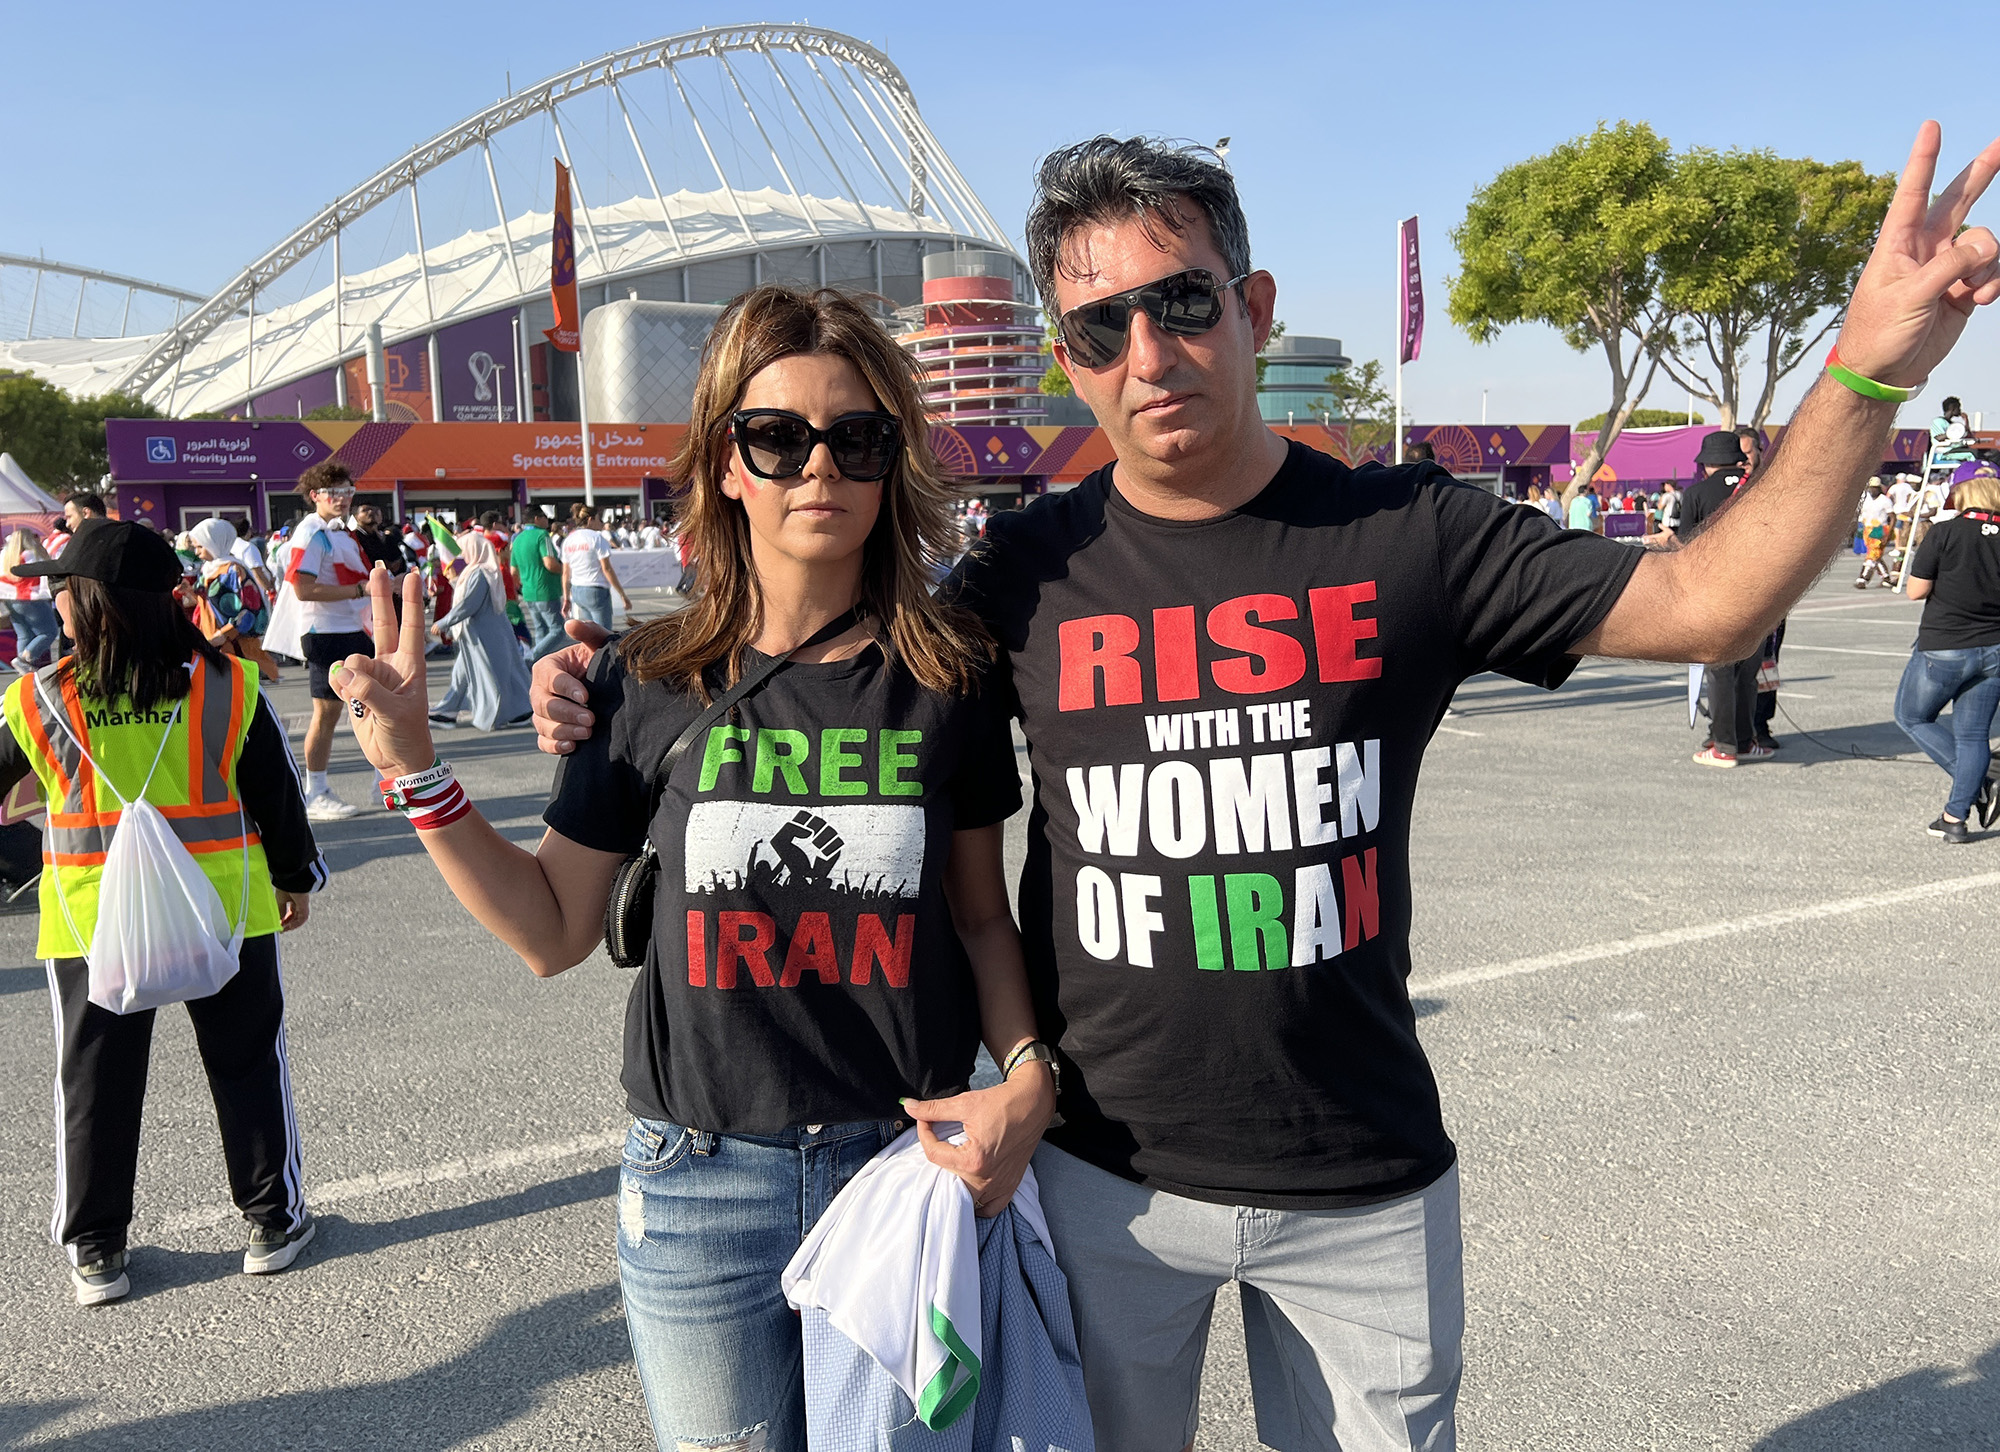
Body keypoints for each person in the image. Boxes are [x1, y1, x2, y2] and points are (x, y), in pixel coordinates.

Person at [532, 125, 2000, 1451]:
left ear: (1256, 308)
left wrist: (1866, 366)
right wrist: (609, 677)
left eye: (1182, 301)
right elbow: (821, 642)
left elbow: (1705, 606)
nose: (1150, 352)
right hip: (1101, 1182)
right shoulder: (1020, 579)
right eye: (1101, 326)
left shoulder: (1406, 532)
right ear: (1069, 354)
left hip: (1359, 1177)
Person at [332, 283, 1056, 1449]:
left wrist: (1027, 1074)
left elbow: (979, 921)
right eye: (777, 437)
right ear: (727, 462)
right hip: (698, 1186)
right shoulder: (646, 675)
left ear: (890, 465)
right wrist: (417, 774)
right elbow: (551, 930)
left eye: (855, 437)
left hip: (903, 1171)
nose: (817, 467)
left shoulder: (946, 674)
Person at [0, 517, 326, 1305]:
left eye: (62, 590)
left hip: (87, 921)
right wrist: (296, 878)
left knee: (95, 1078)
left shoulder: (38, 697)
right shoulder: (228, 684)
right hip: (226, 907)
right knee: (248, 1063)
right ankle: (271, 1221)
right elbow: (274, 794)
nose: (53, 604)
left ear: (95, 603)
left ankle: (98, 1249)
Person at [1896, 461, 2000, 843]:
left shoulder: (1945, 532)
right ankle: (1953, 818)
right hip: (1995, 647)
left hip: (1946, 644)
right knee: (1973, 735)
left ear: (1960, 491)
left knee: (1912, 717)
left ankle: (1980, 782)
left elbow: (1915, 591)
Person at [282, 459, 373, 821]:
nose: (343, 498)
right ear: (314, 496)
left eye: (348, 491)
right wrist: (359, 589)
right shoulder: (311, 532)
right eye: (333, 492)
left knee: (368, 705)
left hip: (351, 629)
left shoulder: (337, 530)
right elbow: (302, 589)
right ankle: (315, 791)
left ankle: (383, 782)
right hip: (325, 632)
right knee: (328, 714)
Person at [1680, 431, 1766, 766]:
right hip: (1759, 592)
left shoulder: (1697, 493)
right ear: (1737, 459)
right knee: (1747, 672)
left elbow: (1688, 548)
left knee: (1719, 671)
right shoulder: (1758, 490)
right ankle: (1745, 741)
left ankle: (1724, 746)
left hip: (1717, 592)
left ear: (1706, 464)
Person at [427, 528, 532, 731]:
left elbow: (469, 604)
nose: (461, 554)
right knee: (469, 672)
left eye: (464, 549)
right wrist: (453, 580)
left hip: (483, 635)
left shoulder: (480, 573)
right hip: (482, 634)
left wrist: (444, 622)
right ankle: (448, 710)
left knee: (492, 675)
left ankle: (500, 713)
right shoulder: (480, 570)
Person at [187, 517, 276, 681]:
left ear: (214, 543)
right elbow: (203, 602)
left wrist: (225, 633)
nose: (197, 552)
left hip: (235, 645)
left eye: (200, 546)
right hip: (210, 640)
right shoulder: (207, 569)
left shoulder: (234, 570)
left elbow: (250, 608)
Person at [560, 504, 630, 633]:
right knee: (604, 634)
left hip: (577, 590)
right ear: (590, 519)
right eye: (599, 519)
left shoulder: (569, 540)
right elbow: (607, 569)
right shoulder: (597, 538)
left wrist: (566, 598)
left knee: (591, 633)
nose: (601, 522)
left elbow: (565, 573)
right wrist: (622, 594)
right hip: (596, 589)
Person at [510, 506, 567, 661]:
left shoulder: (518, 538)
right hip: (546, 590)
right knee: (557, 630)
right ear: (537, 518)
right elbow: (550, 564)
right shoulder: (542, 535)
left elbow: (513, 571)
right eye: (544, 517)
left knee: (540, 629)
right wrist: (567, 570)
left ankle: (540, 663)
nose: (547, 521)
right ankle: (532, 659)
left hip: (528, 591)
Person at [2, 528, 61, 675]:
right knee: (49, 631)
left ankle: (23, 668)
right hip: (32, 599)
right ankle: (25, 659)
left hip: (10, 600)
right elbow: (47, 570)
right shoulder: (32, 554)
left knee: (24, 635)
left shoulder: (5, 555)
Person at [1857, 476, 1896, 586]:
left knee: (1872, 554)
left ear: (1879, 488)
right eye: (1870, 488)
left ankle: (1863, 578)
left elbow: (1892, 517)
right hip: (1867, 528)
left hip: (1879, 529)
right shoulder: (1865, 499)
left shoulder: (1885, 500)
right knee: (1875, 555)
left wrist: (1888, 533)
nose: (1872, 490)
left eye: (1875, 488)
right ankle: (1886, 577)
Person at [230, 517, 277, 600]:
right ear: (248, 532)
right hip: (256, 593)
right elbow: (257, 572)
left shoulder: (230, 547)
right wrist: (270, 589)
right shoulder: (248, 547)